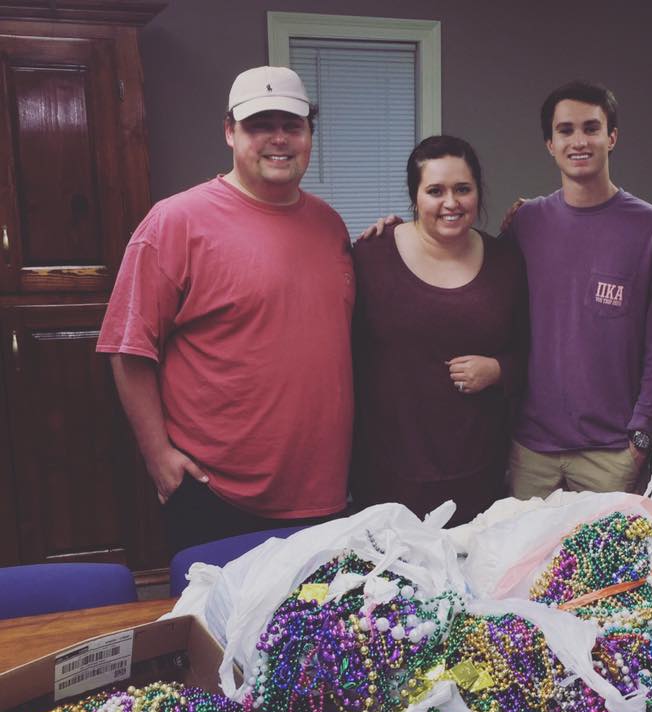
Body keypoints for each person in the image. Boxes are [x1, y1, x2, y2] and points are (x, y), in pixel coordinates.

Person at [97, 66, 355, 554]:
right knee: (218, 631)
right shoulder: (176, 222)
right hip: (218, 495)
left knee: (312, 629)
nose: (278, 139)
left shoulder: (329, 224)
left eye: (292, 126)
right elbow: (128, 349)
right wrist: (159, 459)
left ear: (309, 136)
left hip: (323, 495)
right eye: (260, 125)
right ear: (229, 131)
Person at [504, 81, 652, 499]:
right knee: (526, 563)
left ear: (611, 137)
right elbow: (465, 261)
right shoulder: (526, 224)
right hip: (532, 449)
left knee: (610, 565)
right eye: (565, 130)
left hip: (612, 453)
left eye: (591, 128)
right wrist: (399, 230)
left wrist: (641, 438)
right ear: (549, 143)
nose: (578, 141)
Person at [351, 135, 527, 526]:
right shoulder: (370, 257)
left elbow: (531, 351)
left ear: (479, 193)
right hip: (387, 474)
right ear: (415, 197)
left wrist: (499, 369)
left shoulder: (506, 263)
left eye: (463, 189)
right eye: (435, 190)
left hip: (476, 472)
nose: (451, 202)